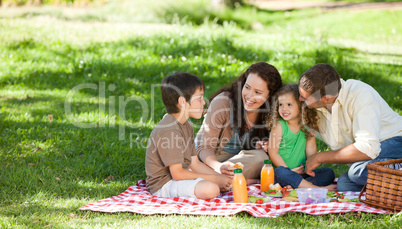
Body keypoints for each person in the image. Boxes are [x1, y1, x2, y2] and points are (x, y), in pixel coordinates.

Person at [298, 63, 402, 191]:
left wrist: (320, 156)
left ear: (326, 98)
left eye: (304, 98)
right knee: (344, 185)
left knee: (357, 172)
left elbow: (368, 148)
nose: (300, 99)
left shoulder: (361, 94)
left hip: (395, 142)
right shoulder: (317, 107)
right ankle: (393, 181)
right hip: (368, 158)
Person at [145, 72, 231, 199]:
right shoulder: (170, 130)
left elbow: (194, 163)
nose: (203, 103)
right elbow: (177, 174)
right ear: (182, 102)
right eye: (199, 98)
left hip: (180, 177)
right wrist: (214, 179)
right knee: (211, 188)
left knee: (223, 182)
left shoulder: (187, 126)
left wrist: (219, 177)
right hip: (164, 185)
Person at [196, 62, 283, 183]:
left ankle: (218, 181)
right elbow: (204, 147)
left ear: (270, 96)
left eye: (257, 92)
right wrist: (218, 166)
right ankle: (231, 181)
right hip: (210, 159)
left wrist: (265, 146)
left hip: (239, 163)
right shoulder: (223, 103)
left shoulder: (274, 113)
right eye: (247, 87)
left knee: (261, 158)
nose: (249, 96)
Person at [265, 84, 336, 191]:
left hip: (301, 174)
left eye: (289, 104)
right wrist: (289, 171)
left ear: (301, 106)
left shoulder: (308, 126)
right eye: (280, 105)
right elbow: (273, 153)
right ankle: (316, 188)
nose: (284, 109)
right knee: (280, 172)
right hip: (283, 175)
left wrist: (309, 169)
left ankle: (300, 186)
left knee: (328, 173)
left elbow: (311, 152)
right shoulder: (279, 126)